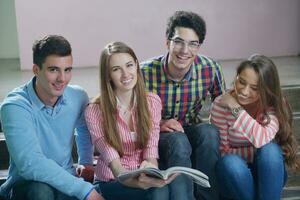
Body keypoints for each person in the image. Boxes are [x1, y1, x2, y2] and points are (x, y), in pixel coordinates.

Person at [0, 35, 104, 200]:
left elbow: (84, 129)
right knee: (41, 190)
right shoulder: (14, 106)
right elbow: (30, 163)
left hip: (66, 181)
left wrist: (86, 163)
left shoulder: (78, 96)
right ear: (36, 70)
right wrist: (85, 190)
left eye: (67, 70)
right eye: (53, 69)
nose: (62, 79)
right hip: (27, 186)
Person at [141, 11, 226, 200]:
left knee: (210, 132)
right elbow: (130, 115)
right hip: (158, 134)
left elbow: (223, 106)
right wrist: (160, 124)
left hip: (191, 127)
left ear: (198, 46)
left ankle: (207, 197)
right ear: (167, 42)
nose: (184, 50)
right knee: (178, 141)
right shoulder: (144, 72)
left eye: (192, 44)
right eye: (178, 41)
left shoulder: (210, 68)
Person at [85, 41, 177, 200]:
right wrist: (138, 182)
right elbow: (117, 169)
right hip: (110, 182)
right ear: (108, 75)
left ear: (136, 65)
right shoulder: (94, 110)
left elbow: (151, 149)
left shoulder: (152, 102)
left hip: (142, 177)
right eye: (116, 69)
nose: (126, 74)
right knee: (157, 192)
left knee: (161, 189)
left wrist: (151, 173)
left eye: (129, 65)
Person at [210, 54, 300, 200]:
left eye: (254, 88)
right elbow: (223, 152)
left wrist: (235, 107)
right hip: (235, 177)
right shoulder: (221, 104)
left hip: (269, 175)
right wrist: (256, 152)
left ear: (266, 89)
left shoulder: (274, 104)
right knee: (229, 162)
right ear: (236, 76)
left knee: (270, 151)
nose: (244, 91)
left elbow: (261, 140)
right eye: (241, 82)